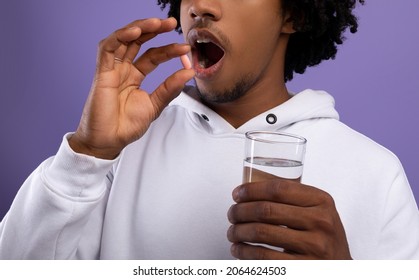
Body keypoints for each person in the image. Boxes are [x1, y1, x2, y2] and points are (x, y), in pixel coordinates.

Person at [0, 0, 418, 260]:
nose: (201, 6)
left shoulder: (376, 173)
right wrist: (87, 155)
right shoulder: (117, 151)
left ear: (294, 12)